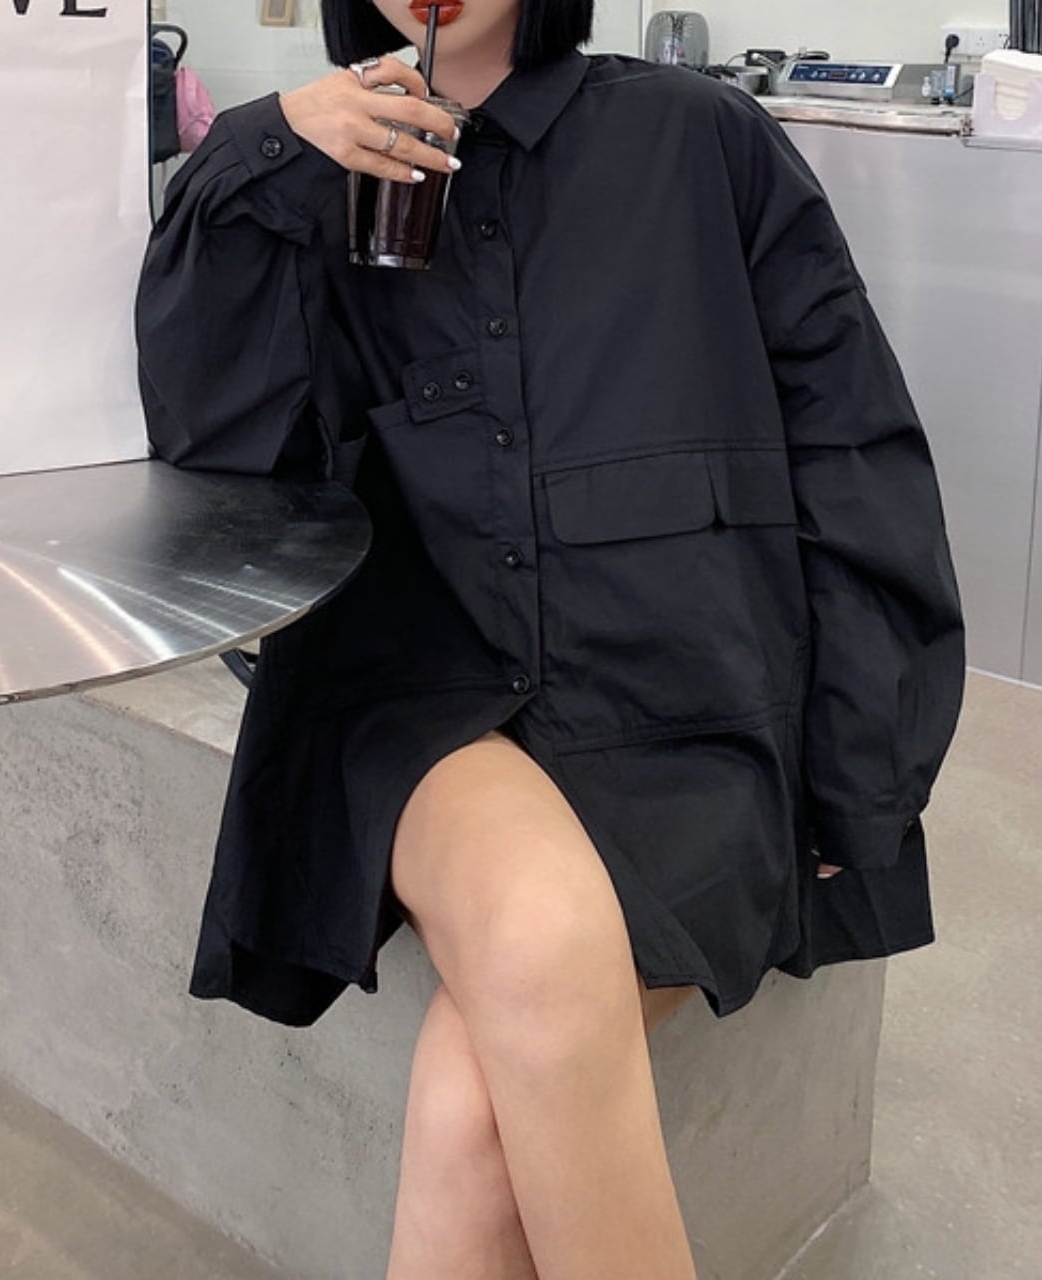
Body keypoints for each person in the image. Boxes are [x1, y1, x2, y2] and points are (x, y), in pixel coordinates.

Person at [134, 1, 967, 1275]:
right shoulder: (311, 173)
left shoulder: (699, 140)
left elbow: (849, 444)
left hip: (682, 698)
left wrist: (863, 766)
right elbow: (219, 457)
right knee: (534, 938)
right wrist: (262, 156)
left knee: (470, 1113)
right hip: (422, 692)